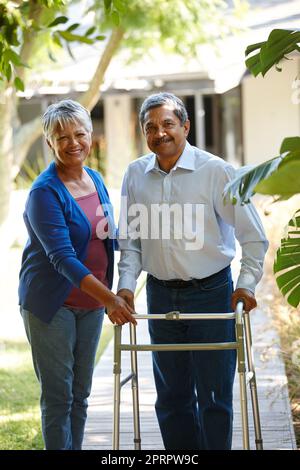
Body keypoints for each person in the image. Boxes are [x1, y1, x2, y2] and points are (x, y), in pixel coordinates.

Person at [117, 92, 268, 450]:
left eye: (168, 124)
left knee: (214, 397)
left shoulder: (215, 171)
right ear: (144, 133)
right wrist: (125, 287)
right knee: (172, 397)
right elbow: (131, 242)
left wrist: (246, 285)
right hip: (160, 293)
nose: (160, 133)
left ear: (185, 126)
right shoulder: (136, 174)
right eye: (150, 127)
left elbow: (253, 236)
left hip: (211, 294)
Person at [18, 99, 136, 450]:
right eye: (62, 136)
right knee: (59, 396)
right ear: (49, 142)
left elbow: (106, 234)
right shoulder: (44, 192)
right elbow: (62, 259)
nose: (73, 143)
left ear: (90, 135)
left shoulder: (95, 178)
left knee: (81, 395)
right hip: (53, 305)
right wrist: (111, 299)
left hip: (91, 304)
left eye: (80, 134)